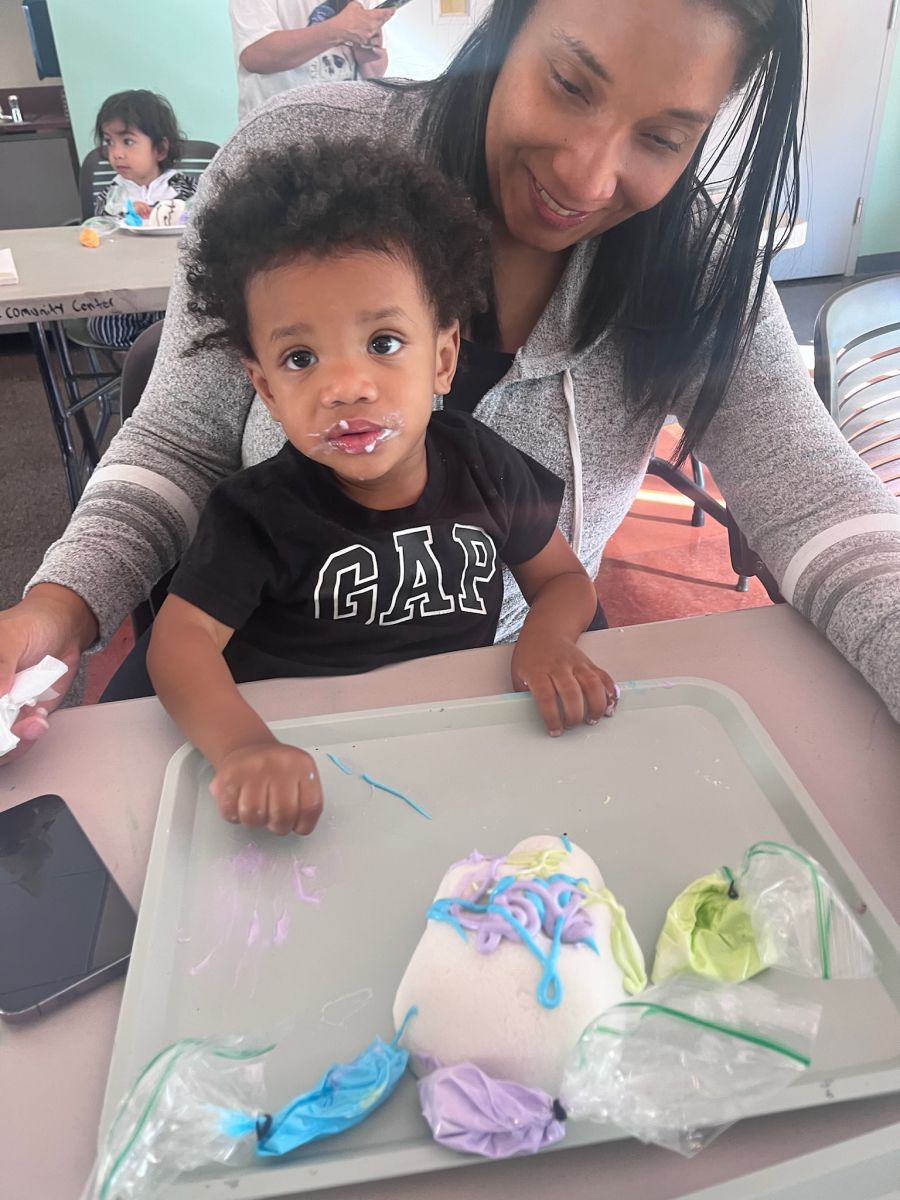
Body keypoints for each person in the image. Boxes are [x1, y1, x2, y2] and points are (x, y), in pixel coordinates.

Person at [4, 0, 900, 765]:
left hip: (505, 705)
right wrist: (59, 606)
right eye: (570, 83)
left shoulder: (696, 263)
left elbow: (815, 499)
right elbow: (179, 438)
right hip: (267, 694)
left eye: (664, 137)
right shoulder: (299, 157)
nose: (587, 176)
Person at [147, 140, 617, 835]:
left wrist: (546, 639)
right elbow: (179, 643)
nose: (346, 387)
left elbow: (564, 581)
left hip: (452, 750)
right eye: (300, 358)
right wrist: (243, 746)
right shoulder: (257, 515)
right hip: (307, 773)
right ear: (265, 388)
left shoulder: (482, 464)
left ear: (444, 357)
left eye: (384, 343)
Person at [88, 90, 199, 349]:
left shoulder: (185, 189)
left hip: (172, 291)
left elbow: (200, 221)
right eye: (110, 142)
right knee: (101, 327)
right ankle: (140, 362)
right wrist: (125, 213)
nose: (116, 153)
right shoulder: (113, 195)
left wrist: (162, 211)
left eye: (127, 142)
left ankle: (164, 359)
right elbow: (98, 228)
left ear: (160, 149)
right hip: (125, 289)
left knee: (194, 325)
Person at [229, 0, 395, 119]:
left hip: (345, 134)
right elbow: (256, 56)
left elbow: (374, 72)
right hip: (275, 134)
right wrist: (338, 30)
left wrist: (369, 52)